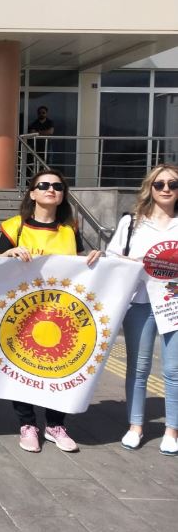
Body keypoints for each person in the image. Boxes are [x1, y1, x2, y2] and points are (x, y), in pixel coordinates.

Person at [0, 169, 102, 453]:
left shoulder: (70, 229)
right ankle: (27, 424)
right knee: (23, 366)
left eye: (57, 186)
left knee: (61, 367)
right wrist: (8, 253)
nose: (50, 189)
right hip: (23, 311)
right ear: (32, 193)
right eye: (43, 185)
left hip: (60, 312)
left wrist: (94, 259)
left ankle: (55, 425)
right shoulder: (14, 227)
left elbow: (79, 265)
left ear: (63, 195)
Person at [107, 163, 178, 456]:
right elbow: (112, 257)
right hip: (139, 302)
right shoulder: (131, 223)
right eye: (159, 184)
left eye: (173, 184)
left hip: (174, 304)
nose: (166, 189)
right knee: (138, 367)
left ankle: (172, 431)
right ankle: (135, 426)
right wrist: (134, 264)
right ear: (150, 188)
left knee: (174, 370)